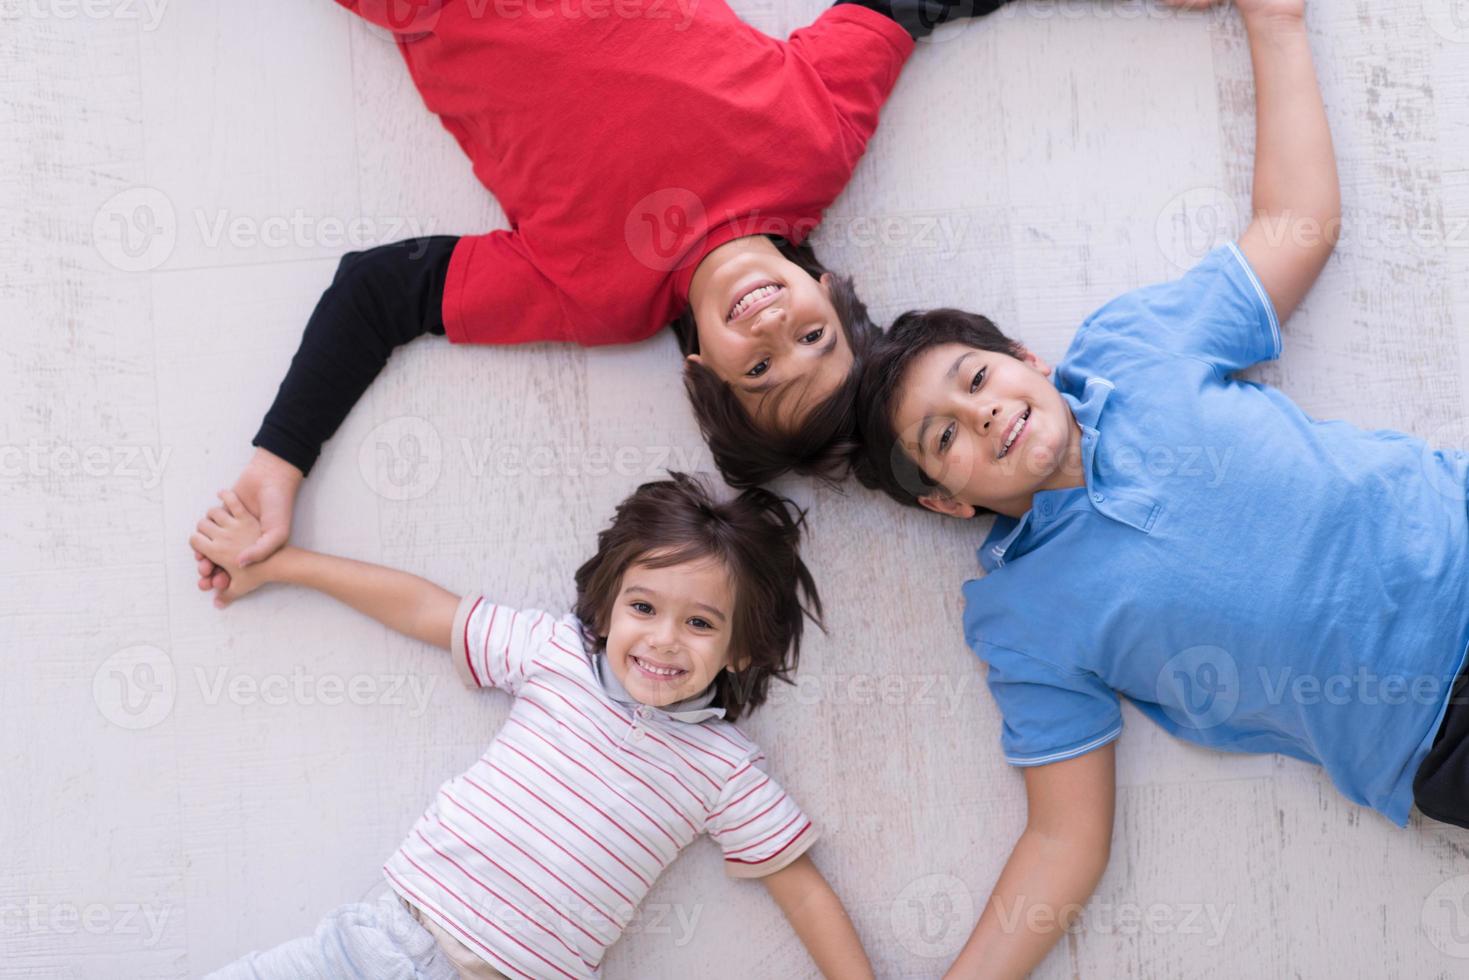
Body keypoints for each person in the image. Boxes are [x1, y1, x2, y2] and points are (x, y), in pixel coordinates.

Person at [855, 0, 1467, 974]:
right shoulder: (1018, 618)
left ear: (1022, 357)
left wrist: (1272, 22)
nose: (980, 416)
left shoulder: (1129, 351)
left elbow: (1294, 228)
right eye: (943, 438)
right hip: (1431, 735)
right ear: (945, 498)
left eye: (975, 380)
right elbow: (1061, 843)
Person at [192, 0, 1017, 604]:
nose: (772, 327)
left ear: (705, 371)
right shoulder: (815, 142)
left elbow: (379, 294)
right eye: (812, 337)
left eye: (760, 367)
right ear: (832, 293)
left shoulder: (592, 295)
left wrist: (279, 463)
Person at [192, 473, 873, 979]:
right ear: (606, 611)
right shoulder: (555, 654)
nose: (664, 640)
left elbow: (804, 891)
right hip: (383, 946)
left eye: (699, 623)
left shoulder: (722, 767)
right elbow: (427, 610)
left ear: (741, 651)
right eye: (644, 607)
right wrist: (283, 567)